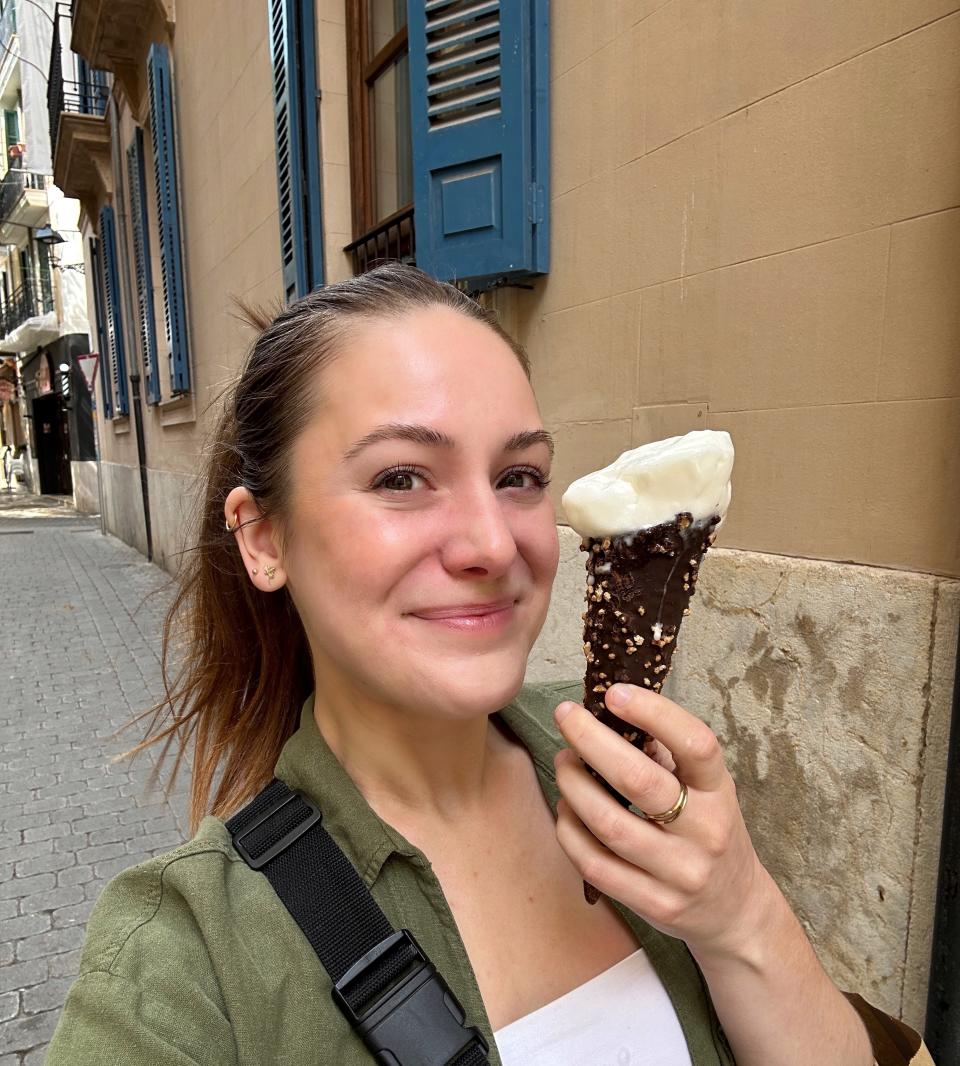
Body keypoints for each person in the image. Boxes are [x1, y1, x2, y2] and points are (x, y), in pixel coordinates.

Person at [46, 265, 903, 1065]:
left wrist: (741, 913)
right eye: (403, 478)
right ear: (264, 539)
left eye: (520, 475)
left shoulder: (636, 774)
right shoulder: (180, 969)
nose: (494, 543)